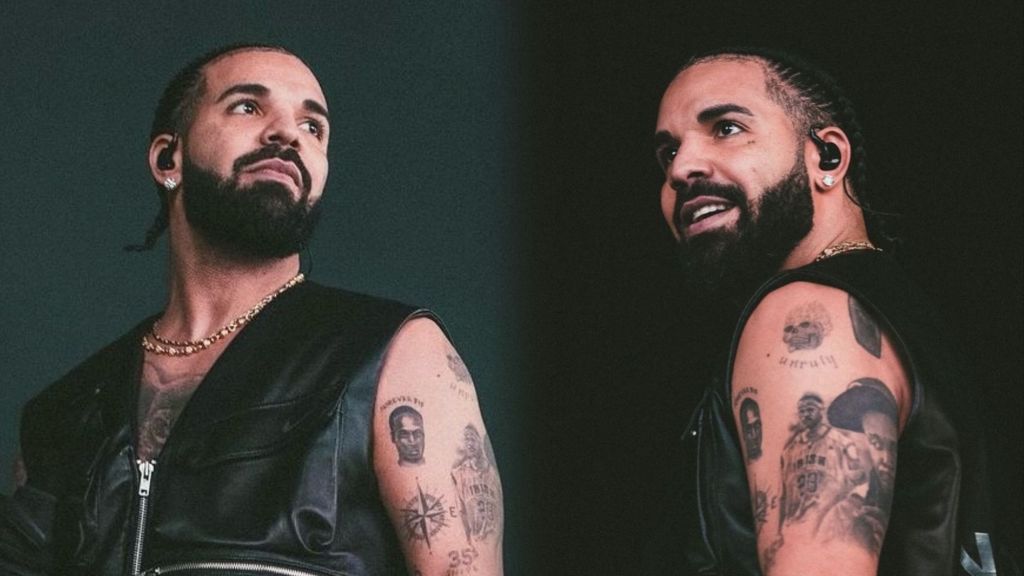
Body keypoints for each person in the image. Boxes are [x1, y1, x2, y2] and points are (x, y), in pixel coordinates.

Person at [0, 44, 503, 576]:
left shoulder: (394, 354)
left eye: (314, 127)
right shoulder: (64, 412)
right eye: (248, 107)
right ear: (168, 159)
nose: (288, 134)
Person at [649, 47, 1014, 574]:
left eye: (727, 128)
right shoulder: (895, 309)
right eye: (668, 153)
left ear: (827, 158)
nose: (682, 168)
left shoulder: (805, 316)